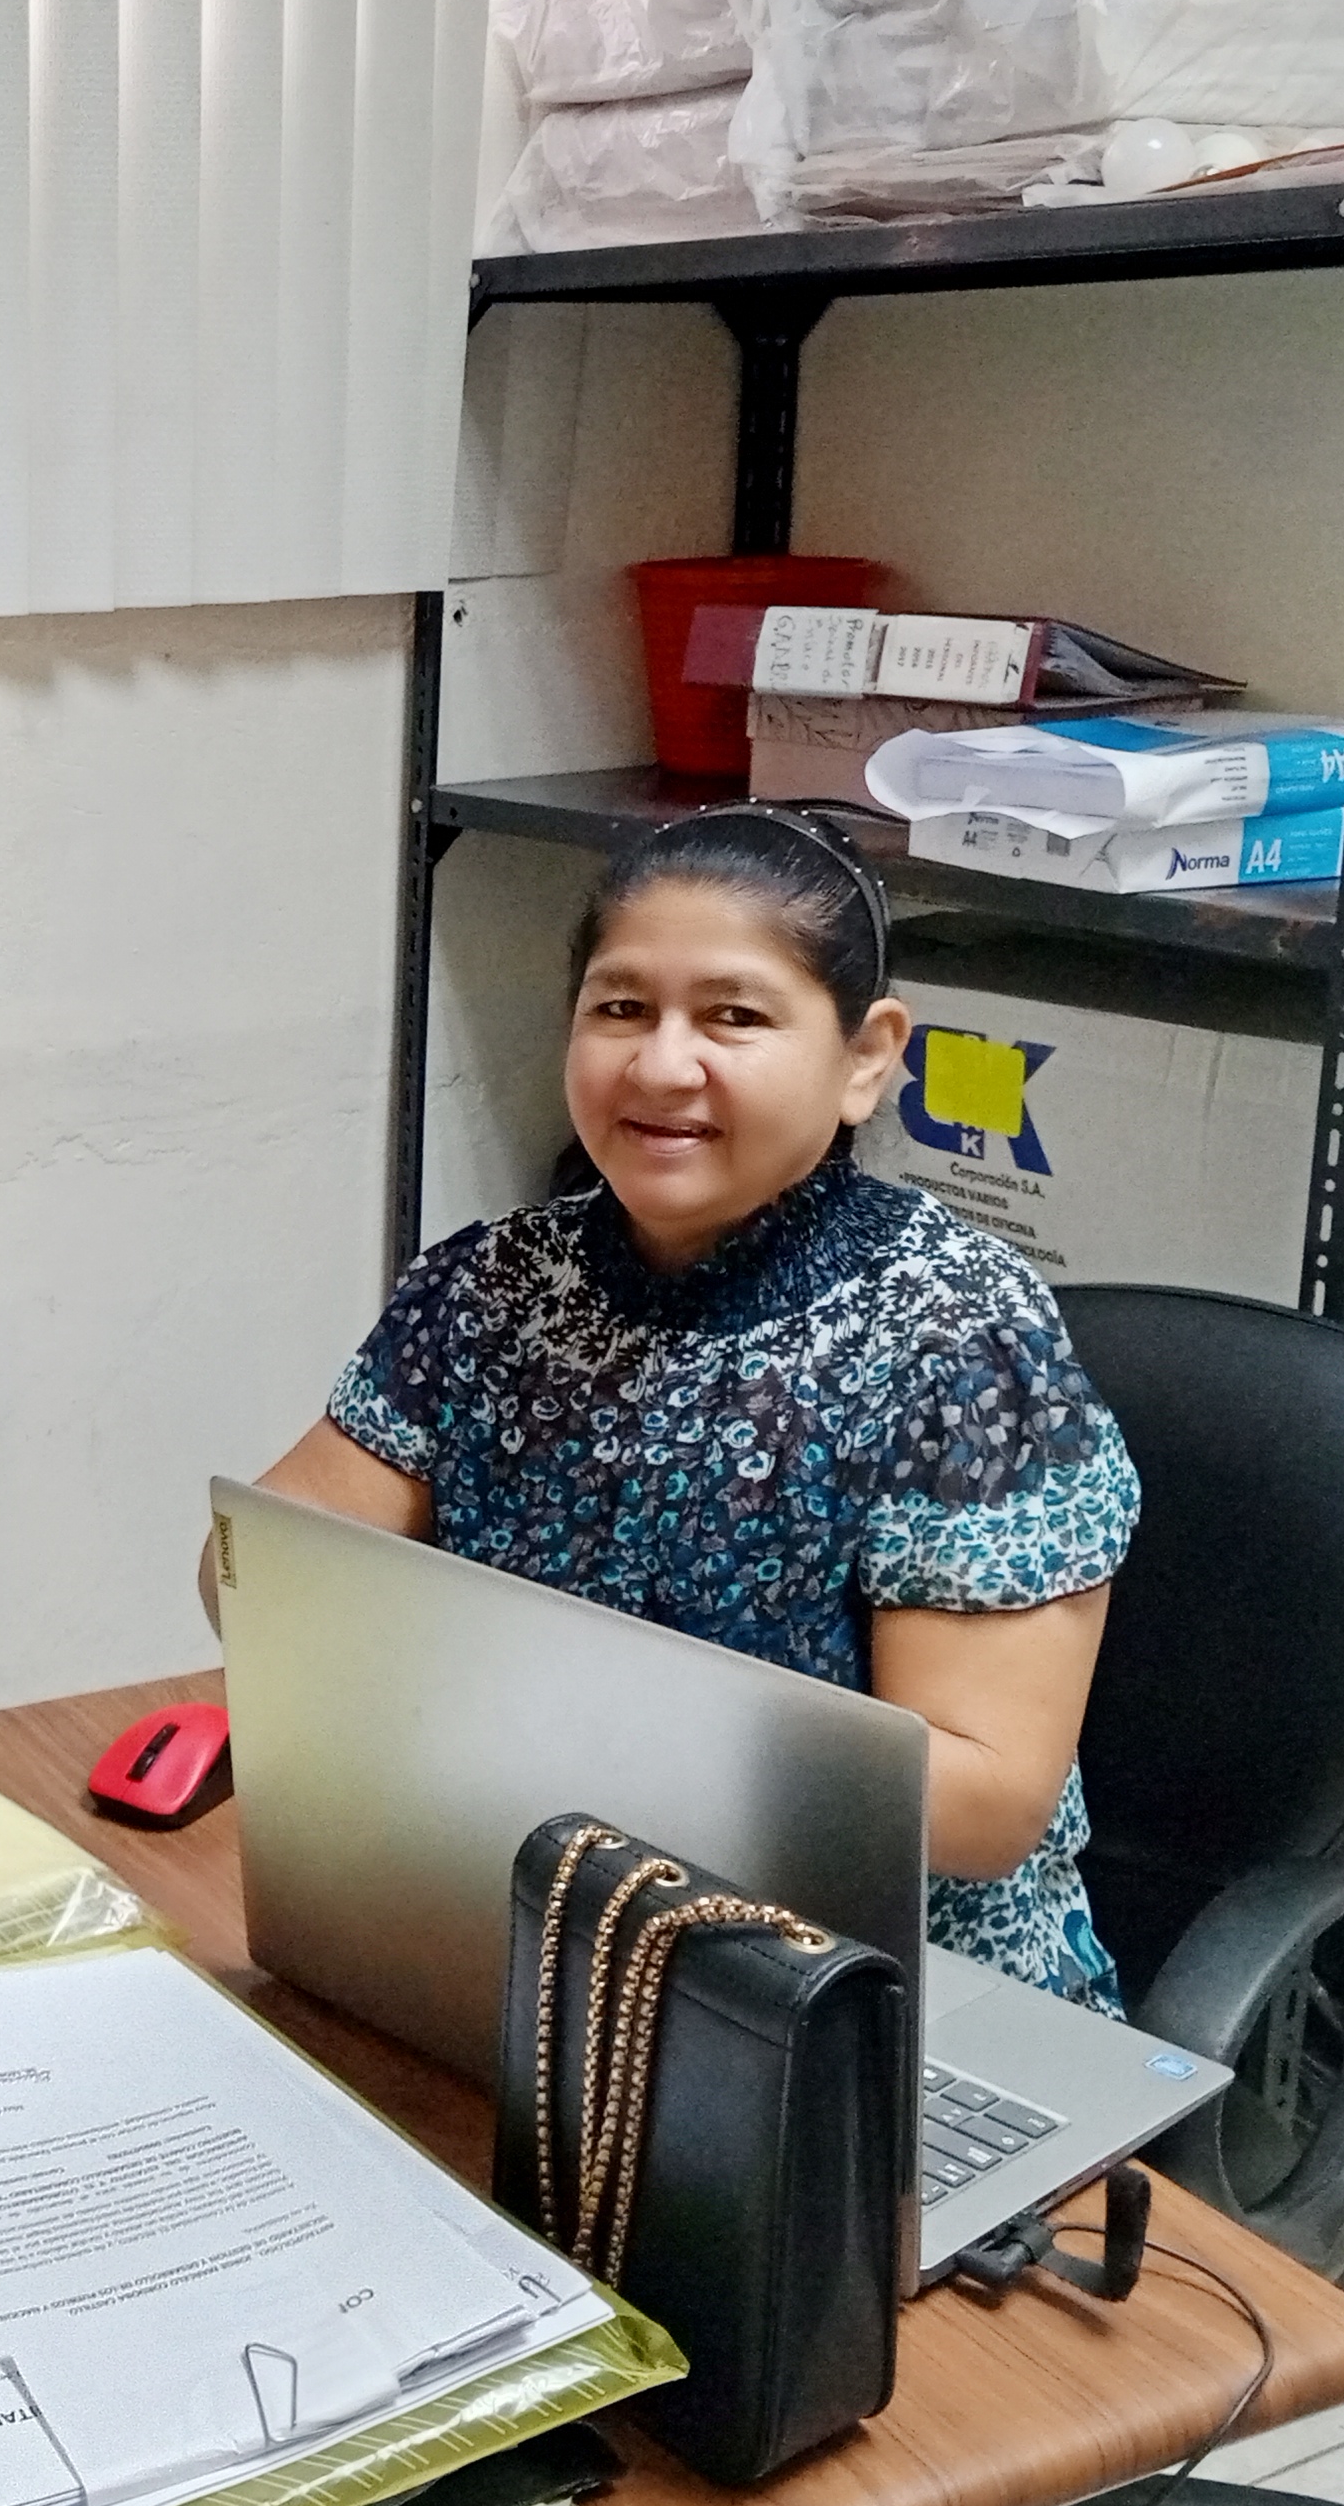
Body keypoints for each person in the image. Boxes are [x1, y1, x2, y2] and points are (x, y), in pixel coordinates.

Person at [216, 806, 1140, 2007]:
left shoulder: (957, 1342)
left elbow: (981, 1805)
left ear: (865, 1058)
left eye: (732, 1017)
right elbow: (257, 1576)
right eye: (618, 1008)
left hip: (873, 2006)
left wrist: (517, 1712)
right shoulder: (491, 1283)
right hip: (543, 1942)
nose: (659, 1066)